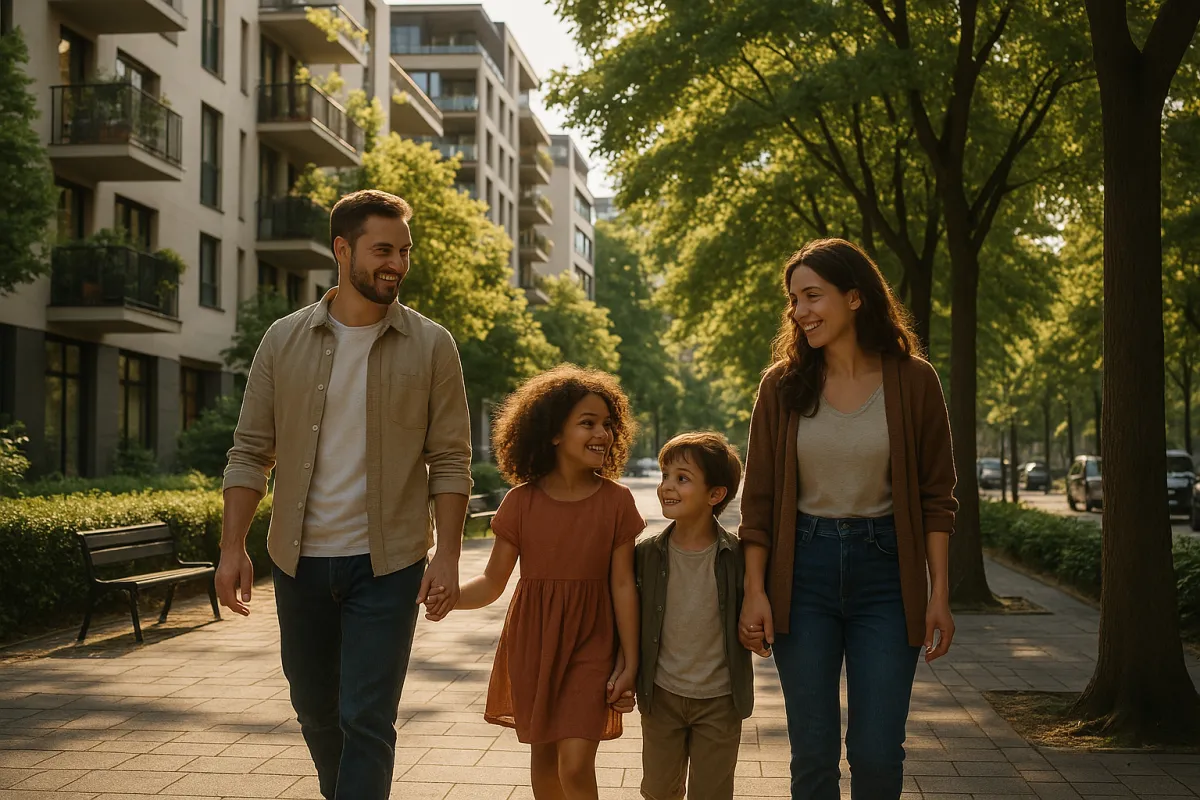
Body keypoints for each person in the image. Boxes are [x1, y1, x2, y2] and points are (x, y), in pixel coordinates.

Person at [216, 189, 473, 800]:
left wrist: (449, 556)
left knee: (368, 716)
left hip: (389, 564)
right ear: (342, 249)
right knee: (314, 708)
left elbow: (451, 461)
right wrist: (232, 548)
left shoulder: (432, 345)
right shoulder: (282, 341)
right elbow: (251, 449)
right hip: (298, 560)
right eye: (383, 249)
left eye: (405, 251)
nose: (398, 264)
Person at [737, 238, 957, 800]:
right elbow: (757, 501)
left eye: (814, 295)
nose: (801, 311)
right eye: (795, 301)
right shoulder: (781, 386)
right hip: (801, 572)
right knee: (812, 755)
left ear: (855, 297)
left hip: (887, 576)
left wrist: (939, 594)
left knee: (877, 753)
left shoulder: (914, 381)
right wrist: (755, 590)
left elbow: (938, 498)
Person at [434, 365, 643, 800]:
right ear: (552, 433)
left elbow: (624, 587)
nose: (601, 433)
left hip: (594, 642)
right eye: (587, 423)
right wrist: (448, 596)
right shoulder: (521, 502)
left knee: (576, 765)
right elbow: (492, 583)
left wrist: (631, 659)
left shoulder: (617, 502)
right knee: (545, 766)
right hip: (534, 643)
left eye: (607, 424)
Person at [634, 431, 753, 800]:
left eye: (681, 478)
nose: (666, 486)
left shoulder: (738, 557)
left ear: (715, 495)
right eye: (665, 475)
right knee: (658, 790)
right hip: (662, 697)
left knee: (712, 793)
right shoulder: (646, 555)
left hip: (720, 700)